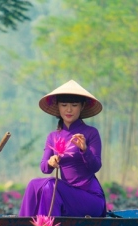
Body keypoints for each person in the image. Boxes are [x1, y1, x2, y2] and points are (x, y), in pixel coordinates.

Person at [19, 79, 106, 217]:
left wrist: (85, 150)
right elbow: (44, 168)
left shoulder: (91, 133)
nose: (69, 109)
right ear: (58, 107)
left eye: (74, 105)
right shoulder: (53, 136)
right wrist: (50, 162)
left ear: (82, 107)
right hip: (63, 195)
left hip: (89, 198)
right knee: (33, 184)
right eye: (64, 105)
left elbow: (95, 167)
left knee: (51, 186)